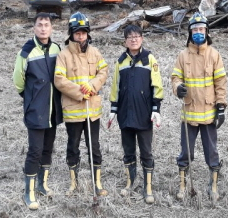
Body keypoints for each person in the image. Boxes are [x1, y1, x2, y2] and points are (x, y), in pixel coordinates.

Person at [171, 12, 227, 202]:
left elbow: (220, 82)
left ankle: (213, 186)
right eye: (195, 29)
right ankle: (182, 184)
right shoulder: (182, 55)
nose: (198, 33)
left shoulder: (214, 54)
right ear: (190, 32)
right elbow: (175, 77)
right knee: (186, 152)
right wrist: (178, 88)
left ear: (206, 31)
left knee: (212, 152)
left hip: (209, 113)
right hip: (189, 113)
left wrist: (221, 107)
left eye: (201, 29)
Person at [54, 12, 109, 197]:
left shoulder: (95, 52)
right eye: (77, 33)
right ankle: (73, 183)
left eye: (84, 32)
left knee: (94, 146)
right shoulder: (63, 55)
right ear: (71, 33)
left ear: (88, 33)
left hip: (92, 111)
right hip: (73, 110)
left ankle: (97, 183)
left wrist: (92, 86)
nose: (81, 36)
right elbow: (59, 79)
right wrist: (79, 92)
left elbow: (103, 71)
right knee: (73, 146)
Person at [108, 25, 164, 204]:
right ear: (125, 41)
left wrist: (156, 109)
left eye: (137, 36)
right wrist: (113, 110)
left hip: (144, 114)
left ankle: (148, 187)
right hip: (125, 114)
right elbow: (115, 86)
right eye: (130, 37)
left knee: (146, 152)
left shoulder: (149, 59)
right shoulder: (120, 61)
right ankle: (129, 182)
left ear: (142, 38)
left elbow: (157, 85)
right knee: (128, 151)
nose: (134, 39)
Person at [13, 12, 62, 210]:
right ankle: (29, 192)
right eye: (40, 25)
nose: (43, 28)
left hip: (53, 109)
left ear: (51, 28)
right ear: (34, 28)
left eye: (46, 25)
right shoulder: (26, 51)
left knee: (48, 149)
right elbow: (18, 80)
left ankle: (42, 184)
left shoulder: (57, 48)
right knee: (34, 151)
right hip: (35, 109)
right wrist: (30, 98)